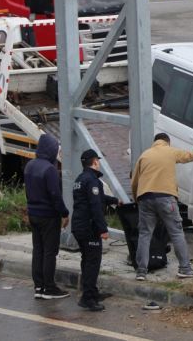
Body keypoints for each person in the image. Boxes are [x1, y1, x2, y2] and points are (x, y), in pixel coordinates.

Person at [131, 133, 193, 281]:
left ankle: (141, 272)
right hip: (166, 198)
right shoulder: (170, 151)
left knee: (144, 234)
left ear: (155, 142)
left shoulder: (144, 155)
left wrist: (137, 199)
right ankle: (185, 269)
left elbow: (134, 181)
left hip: (145, 197)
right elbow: (187, 156)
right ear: (167, 142)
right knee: (176, 232)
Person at [71, 149, 120, 311]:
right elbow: (95, 206)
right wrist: (102, 229)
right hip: (89, 228)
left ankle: (91, 292)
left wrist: (114, 201)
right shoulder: (92, 181)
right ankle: (87, 299)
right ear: (95, 162)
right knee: (92, 263)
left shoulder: (80, 179)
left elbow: (97, 198)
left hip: (78, 226)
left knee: (87, 260)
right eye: (98, 161)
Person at [24, 133, 70, 299]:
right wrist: (64, 213)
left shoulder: (29, 166)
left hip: (33, 214)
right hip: (48, 216)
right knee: (50, 251)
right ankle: (49, 287)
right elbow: (55, 195)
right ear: (50, 150)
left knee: (38, 250)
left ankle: (38, 286)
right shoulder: (50, 169)